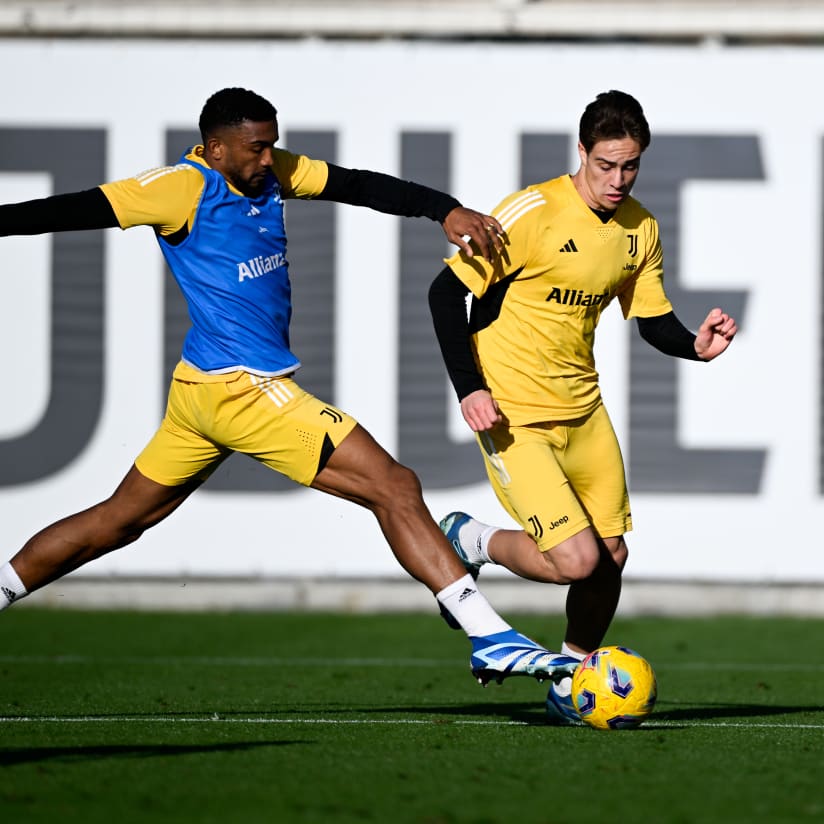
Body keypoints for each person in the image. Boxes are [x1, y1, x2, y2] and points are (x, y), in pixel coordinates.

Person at [0, 87, 579, 689]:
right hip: (242, 387)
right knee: (393, 485)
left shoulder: (272, 172)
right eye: (256, 147)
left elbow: (358, 185)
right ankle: (488, 636)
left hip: (201, 389)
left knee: (117, 522)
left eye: (272, 144)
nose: (268, 157)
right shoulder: (180, 188)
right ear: (216, 148)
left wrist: (446, 210)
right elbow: (68, 210)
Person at [428, 89, 737, 720]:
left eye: (631, 166)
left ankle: (571, 680)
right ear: (582, 152)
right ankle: (471, 539)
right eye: (606, 165)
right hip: (514, 414)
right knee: (576, 559)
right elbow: (443, 294)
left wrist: (695, 346)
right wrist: (470, 388)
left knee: (611, 557)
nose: (618, 179)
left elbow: (652, 319)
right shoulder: (530, 213)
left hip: (584, 412)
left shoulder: (640, 228)